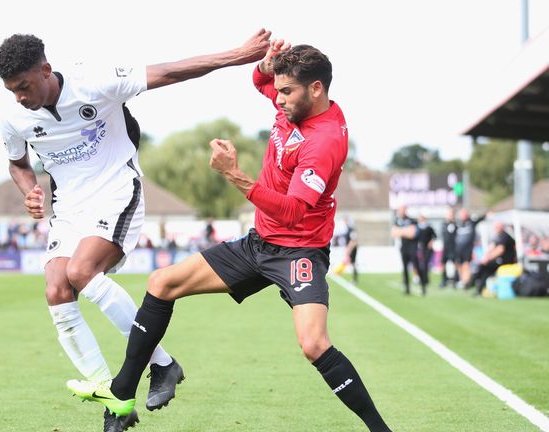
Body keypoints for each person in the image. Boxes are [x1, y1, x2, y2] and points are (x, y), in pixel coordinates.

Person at [69, 41, 392, 432]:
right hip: (258, 244)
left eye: (286, 92)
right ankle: (126, 394)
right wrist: (267, 64)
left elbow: (293, 212)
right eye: (280, 89)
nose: (278, 98)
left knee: (314, 344)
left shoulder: (324, 142)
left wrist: (233, 173)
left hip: (298, 251)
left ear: (317, 89)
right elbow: (260, 81)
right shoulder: (297, 100)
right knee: (161, 283)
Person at [0, 30, 273, 428]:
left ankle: (160, 366)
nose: (19, 97)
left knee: (80, 273)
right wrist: (30, 191)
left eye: (23, 86)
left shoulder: (93, 81)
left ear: (45, 70)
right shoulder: (13, 117)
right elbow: (17, 163)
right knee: (56, 288)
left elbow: (171, 72)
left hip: (116, 190)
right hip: (70, 208)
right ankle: (115, 394)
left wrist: (238, 55)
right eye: (11, 91)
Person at [471, 221, 517, 296]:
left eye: (498, 227)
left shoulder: (504, 236)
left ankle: (473, 284)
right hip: (499, 260)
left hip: (506, 261)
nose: (496, 229)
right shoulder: (497, 236)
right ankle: (477, 287)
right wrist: (485, 257)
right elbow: (491, 247)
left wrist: (488, 258)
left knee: (485, 268)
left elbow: (500, 250)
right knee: (483, 267)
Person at [391, 204, 425, 295]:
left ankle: (423, 286)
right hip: (404, 247)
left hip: (413, 247)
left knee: (416, 267)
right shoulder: (397, 221)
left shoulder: (411, 220)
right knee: (405, 268)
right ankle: (407, 288)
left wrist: (400, 231)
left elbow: (412, 233)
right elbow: (394, 233)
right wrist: (405, 231)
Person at [455, 208, 486, 288]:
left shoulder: (471, 222)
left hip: (468, 248)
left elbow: (480, 218)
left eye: (464, 214)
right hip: (458, 248)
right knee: (459, 264)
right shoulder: (457, 224)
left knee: (466, 264)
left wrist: (487, 214)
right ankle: (461, 280)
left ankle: (465, 281)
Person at [334, 215, 358, 283]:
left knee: (352, 263)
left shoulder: (351, 229)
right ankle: (339, 272)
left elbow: (353, 241)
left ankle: (354, 279)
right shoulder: (347, 229)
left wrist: (349, 249)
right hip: (349, 248)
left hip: (352, 248)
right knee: (348, 261)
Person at [416, 214, 436, 293]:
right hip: (419, 248)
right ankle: (420, 278)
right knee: (419, 264)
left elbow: (434, 236)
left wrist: (431, 242)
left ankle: (425, 279)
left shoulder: (429, 228)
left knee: (426, 264)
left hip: (427, 249)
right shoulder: (417, 227)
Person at [439, 207, 458, 288]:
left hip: (453, 248)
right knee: (443, 264)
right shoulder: (443, 224)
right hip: (445, 247)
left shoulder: (456, 224)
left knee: (455, 264)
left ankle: (455, 280)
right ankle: (444, 279)